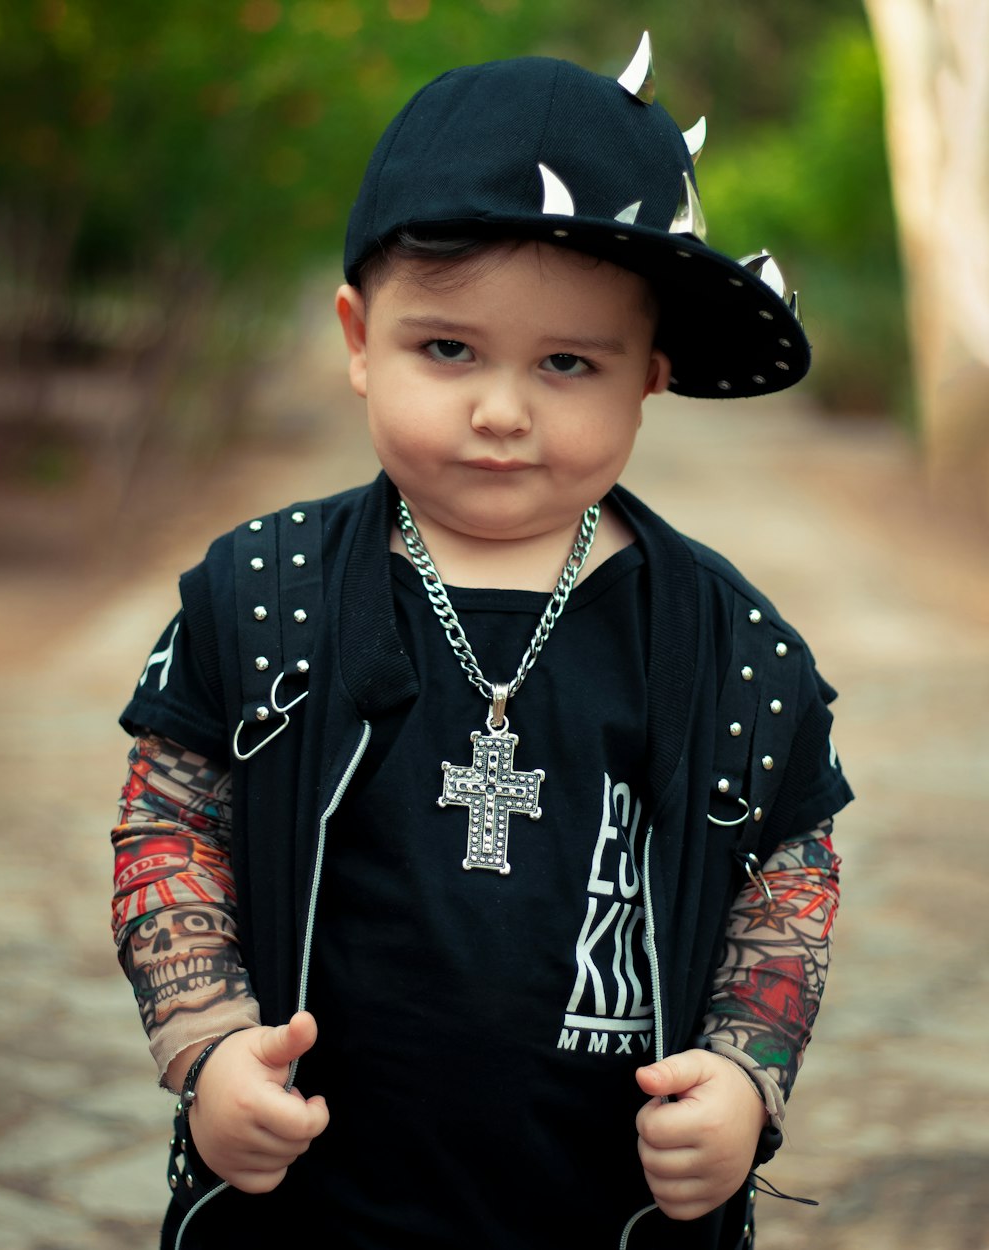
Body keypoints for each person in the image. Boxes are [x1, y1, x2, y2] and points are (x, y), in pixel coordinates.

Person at [111, 35, 851, 1250]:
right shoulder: (261, 593)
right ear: (359, 337)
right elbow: (172, 819)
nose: (500, 410)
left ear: (650, 375)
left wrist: (744, 1070)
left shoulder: (733, 645)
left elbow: (789, 871)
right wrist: (207, 1042)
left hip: (603, 1203)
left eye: (568, 363)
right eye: (445, 348)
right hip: (316, 1200)